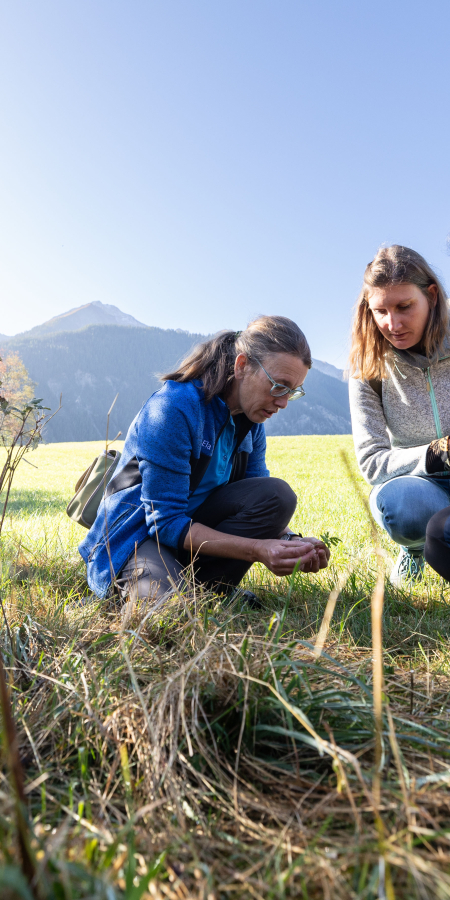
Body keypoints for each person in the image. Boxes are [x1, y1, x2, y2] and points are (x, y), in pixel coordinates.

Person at [79, 315, 330, 607]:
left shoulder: (252, 422)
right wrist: (258, 550)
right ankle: (144, 590)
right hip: (137, 539)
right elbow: (166, 524)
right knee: (169, 614)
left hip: (188, 537)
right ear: (241, 366)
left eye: (292, 391)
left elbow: (258, 498)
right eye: (278, 385)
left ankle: (205, 589)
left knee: (277, 496)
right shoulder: (173, 409)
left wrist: (291, 543)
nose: (283, 402)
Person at [348, 245, 450, 586]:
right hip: (419, 485)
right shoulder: (368, 368)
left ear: (431, 296)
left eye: (405, 307)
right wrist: (437, 454)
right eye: (381, 311)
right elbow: (372, 462)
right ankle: (414, 549)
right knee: (400, 505)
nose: (393, 324)